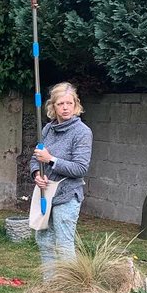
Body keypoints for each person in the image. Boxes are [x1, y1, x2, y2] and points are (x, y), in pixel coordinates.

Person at [30, 82, 93, 278]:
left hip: (67, 194)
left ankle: (70, 289)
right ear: (53, 106)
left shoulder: (82, 132)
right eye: (60, 104)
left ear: (76, 105)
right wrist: (37, 174)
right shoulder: (48, 129)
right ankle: (49, 288)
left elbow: (81, 168)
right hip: (46, 193)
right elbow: (35, 158)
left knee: (64, 244)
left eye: (69, 103)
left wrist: (51, 160)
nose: (65, 108)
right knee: (44, 241)